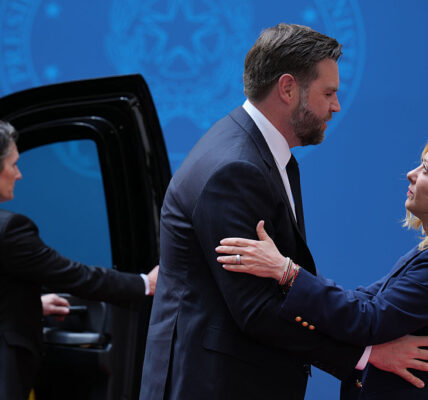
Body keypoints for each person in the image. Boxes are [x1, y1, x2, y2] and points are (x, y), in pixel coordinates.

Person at [140, 23, 428, 400]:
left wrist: (288, 272)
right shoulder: (236, 168)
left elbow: (363, 305)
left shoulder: (267, 156)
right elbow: (256, 309)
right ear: (288, 88)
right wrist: (363, 355)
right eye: (328, 93)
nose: (336, 106)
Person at [216, 144, 428, 398]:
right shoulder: (421, 253)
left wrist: (286, 271)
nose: (411, 174)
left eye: (426, 169)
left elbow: (368, 318)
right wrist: (284, 267)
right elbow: (360, 301)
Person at [0, 120, 159, 400]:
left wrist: (29, 304)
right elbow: (72, 275)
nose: (19, 174)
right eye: (13, 165)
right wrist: (145, 283)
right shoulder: (9, 229)